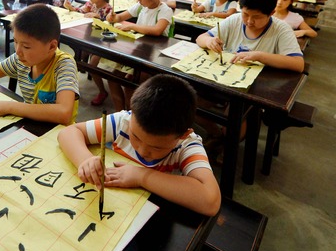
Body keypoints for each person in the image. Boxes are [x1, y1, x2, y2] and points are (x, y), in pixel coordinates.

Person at [57, 74, 221, 216]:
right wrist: (85, 160)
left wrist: (141, 176)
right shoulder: (124, 122)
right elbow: (68, 133)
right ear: (132, 112)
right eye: (135, 137)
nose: (142, 150)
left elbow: (210, 200)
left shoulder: (187, 144)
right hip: (114, 208)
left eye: (157, 147)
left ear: (182, 135)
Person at [196, 0, 304, 73]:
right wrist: (209, 41)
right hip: (226, 74)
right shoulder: (234, 20)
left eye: (256, 17)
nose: (249, 21)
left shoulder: (282, 29)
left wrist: (259, 56)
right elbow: (200, 38)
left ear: (271, 13)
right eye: (246, 14)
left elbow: (298, 64)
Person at [105, 0, 174, 111]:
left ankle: (133, 118)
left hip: (154, 57)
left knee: (131, 84)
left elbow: (157, 30)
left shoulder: (164, 10)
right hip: (138, 51)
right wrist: (113, 17)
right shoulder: (141, 6)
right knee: (113, 78)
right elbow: (121, 17)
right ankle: (120, 112)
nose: (139, 0)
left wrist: (132, 26)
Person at [64, 0, 112, 106]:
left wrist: (100, 19)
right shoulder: (90, 4)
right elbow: (80, 11)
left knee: (93, 65)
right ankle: (72, 87)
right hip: (88, 40)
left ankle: (102, 91)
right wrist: (70, 7)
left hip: (102, 42)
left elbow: (111, 26)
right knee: (75, 60)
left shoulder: (108, 9)